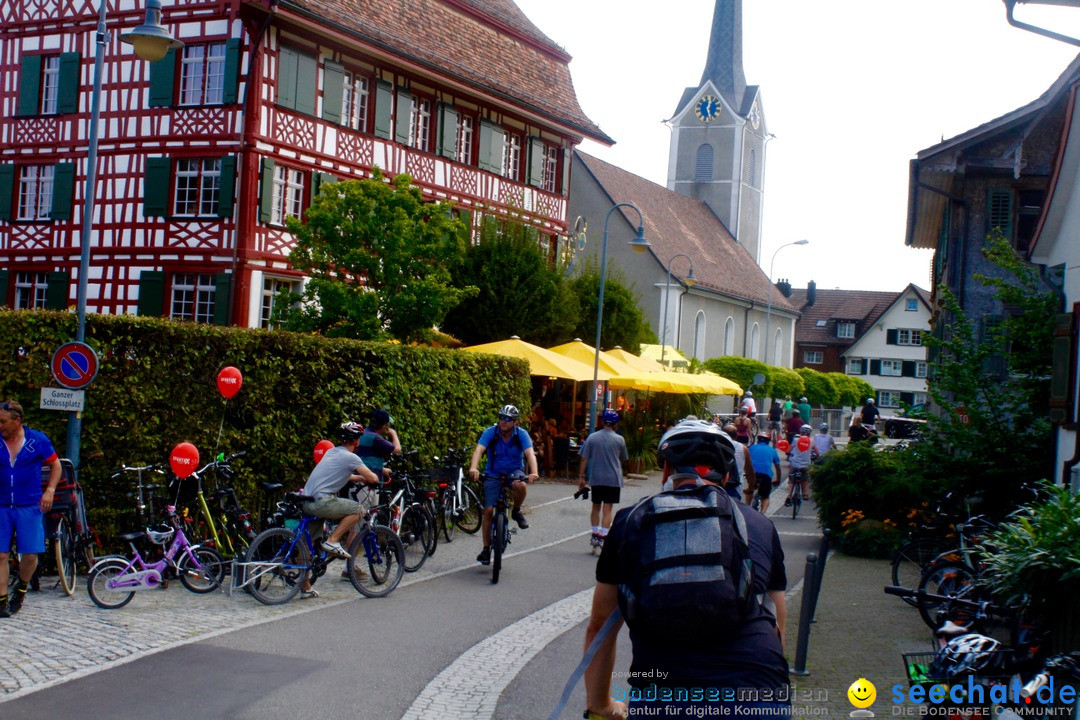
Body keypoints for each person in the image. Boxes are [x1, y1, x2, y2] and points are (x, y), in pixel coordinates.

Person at [582, 420, 789, 719]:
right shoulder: (760, 525)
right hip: (756, 690)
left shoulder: (631, 520)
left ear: (666, 472)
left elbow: (601, 626)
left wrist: (600, 703)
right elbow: (776, 620)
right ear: (728, 476)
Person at [0, 400, 62, 618]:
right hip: (2, 505)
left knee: (29, 555)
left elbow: (56, 464)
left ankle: (21, 588)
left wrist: (50, 490)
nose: (0, 426)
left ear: (18, 421)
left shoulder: (37, 440)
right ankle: (1, 601)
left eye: (3, 421)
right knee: (1, 554)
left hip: (29, 505)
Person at [301, 422, 379, 572]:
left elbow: (345, 475)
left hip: (306, 501)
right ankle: (333, 540)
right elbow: (373, 479)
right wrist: (374, 478)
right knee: (357, 509)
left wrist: (360, 478)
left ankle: (305, 586)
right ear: (356, 440)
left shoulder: (331, 453)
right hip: (322, 502)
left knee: (307, 543)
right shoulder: (351, 457)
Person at [467, 405, 539, 565]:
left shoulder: (521, 435)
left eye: (507, 419)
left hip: (514, 471)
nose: (503, 421)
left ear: (515, 421)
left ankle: (516, 511)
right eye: (501, 417)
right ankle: (486, 549)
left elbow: (529, 454)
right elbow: (479, 450)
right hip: (493, 473)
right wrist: (474, 468)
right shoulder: (491, 432)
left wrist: (534, 472)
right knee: (488, 511)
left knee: (521, 486)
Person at [577, 409, 629, 550]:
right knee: (608, 508)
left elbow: (584, 458)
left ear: (602, 422)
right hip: (613, 478)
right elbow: (623, 458)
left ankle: (594, 533)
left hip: (597, 477)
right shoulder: (620, 439)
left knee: (595, 506)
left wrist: (581, 478)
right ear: (615, 424)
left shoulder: (592, 437)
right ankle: (603, 536)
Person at [723, 423, 757, 504]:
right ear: (736, 436)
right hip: (735, 488)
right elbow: (750, 472)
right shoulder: (742, 448)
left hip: (717, 487)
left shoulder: (715, 445)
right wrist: (751, 487)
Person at [748, 433, 781, 514]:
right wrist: (778, 480)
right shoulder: (772, 450)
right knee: (765, 497)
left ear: (758, 440)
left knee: (750, 491)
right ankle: (762, 514)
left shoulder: (751, 448)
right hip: (766, 475)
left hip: (753, 474)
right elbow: (778, 468)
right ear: (768, 441)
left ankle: (747, 509)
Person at [785, 425, 812, 506]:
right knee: (806, 478)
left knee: (791, 480)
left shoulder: (796, 439)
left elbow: (789, 450)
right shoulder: (811, 441)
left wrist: (787, 452)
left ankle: (789, 495)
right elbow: (816, 452)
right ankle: (805, 494)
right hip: (805, 465)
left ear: (800, 431)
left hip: (794, 464)